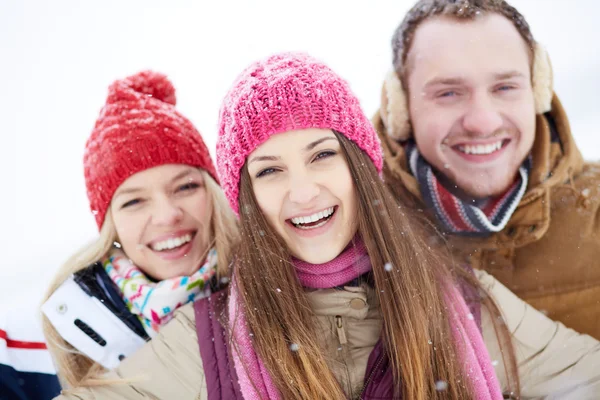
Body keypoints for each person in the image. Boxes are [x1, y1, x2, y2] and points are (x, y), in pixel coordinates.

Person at [56, 52, 600, 400]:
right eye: (269, 170)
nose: (301, 190)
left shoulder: (461, 302)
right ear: (246, 198)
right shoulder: (207, 339)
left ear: (360, 165)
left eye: (322, 155)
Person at [373, 0, 600, 338]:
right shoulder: (349, 229)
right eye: (448, 93)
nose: (482, 122)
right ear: (401, 107)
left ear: (537, 90)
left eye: (505, 87)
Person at [40, 70, 238, 393]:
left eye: (186, 186)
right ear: (110, 222)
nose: (167, 215)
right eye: (134, 202)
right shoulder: (50, 344)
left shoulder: (277, 289)